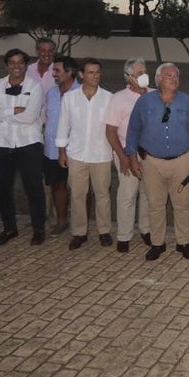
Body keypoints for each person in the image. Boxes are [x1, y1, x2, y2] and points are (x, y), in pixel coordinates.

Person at [125, 62, 189, 261]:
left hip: (182, 161)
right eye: (169, 75)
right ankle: (157, 243)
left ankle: (183, 242)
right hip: (152, 162)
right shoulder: (144, 102)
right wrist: (132, 158)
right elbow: (133, 130)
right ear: (159, 79)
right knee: (155, 204)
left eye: (176, 76)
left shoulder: (188, 103)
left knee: (182, 204)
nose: (174, 79)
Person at [0, 48, 47, 245]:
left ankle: (38, 229)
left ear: (26, 65)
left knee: (33, 187)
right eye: (12, 62)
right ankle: (9, 228)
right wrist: (13, 110)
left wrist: (0, 111)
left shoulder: (35, 86)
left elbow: (29, 117)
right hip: (1, 143)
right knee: (1, 188)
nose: (16, 66)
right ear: (6, 65)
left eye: (20, 62)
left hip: (29, 143)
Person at [56, 58, 114, 249]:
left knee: (102, 195)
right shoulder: (70, 98)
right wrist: (62, 152)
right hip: (76, 154)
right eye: (91, 72)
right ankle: (79, 233)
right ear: (81, 74)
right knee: (78, 195)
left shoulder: (109, 98)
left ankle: (104, 231)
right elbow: (63, 125)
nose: (95, 76)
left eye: (98, 72)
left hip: (101, 155)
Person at [105, 58, 154, 252]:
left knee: (148, 193)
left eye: (145, 71)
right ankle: (124, 235)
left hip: (150, 154)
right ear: (128, 76)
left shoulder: (154, 95)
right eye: (139, 73)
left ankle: (146, 229)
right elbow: (110, 131)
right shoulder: (119, 98)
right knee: (127, 194)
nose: (144, 76)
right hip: (127, 152)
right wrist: (123, 157)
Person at [43, 56, 79, 235]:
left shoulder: (81, 93)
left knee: (81, 190)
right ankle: (61, 221)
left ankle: (82, 225)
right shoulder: (50, 93)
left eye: (57, 70)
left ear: (69, 72)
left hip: (75, 151)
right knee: (58, 185)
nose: (53, 74)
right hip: (51, 150)